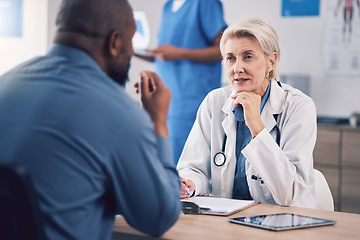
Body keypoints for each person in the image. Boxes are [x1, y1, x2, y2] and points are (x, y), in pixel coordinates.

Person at [0, 0, 181, 239]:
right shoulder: (120, 113)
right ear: (114, 42)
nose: (130, 51)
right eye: (130, 40)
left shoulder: (6, 83)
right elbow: (159, 218)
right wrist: (158, 122)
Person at [178, 18, 318, 209]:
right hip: (227, 221)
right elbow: (194, 168)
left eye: (248, 56)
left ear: (271, 61)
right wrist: (189, 184)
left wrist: (257, 126)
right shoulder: (214, 101)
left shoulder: (299, 106)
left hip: (284, 223)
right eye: (230, 58)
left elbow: (290, 192)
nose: (237, 68)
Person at [138, 0, 227, 164]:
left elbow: (224, 49)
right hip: (166, 106)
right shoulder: (167, 6)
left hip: (191, 104)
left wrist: (179, 53)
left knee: (185, 173)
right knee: (166, 166)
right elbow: (168, 55)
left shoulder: (203, 3)